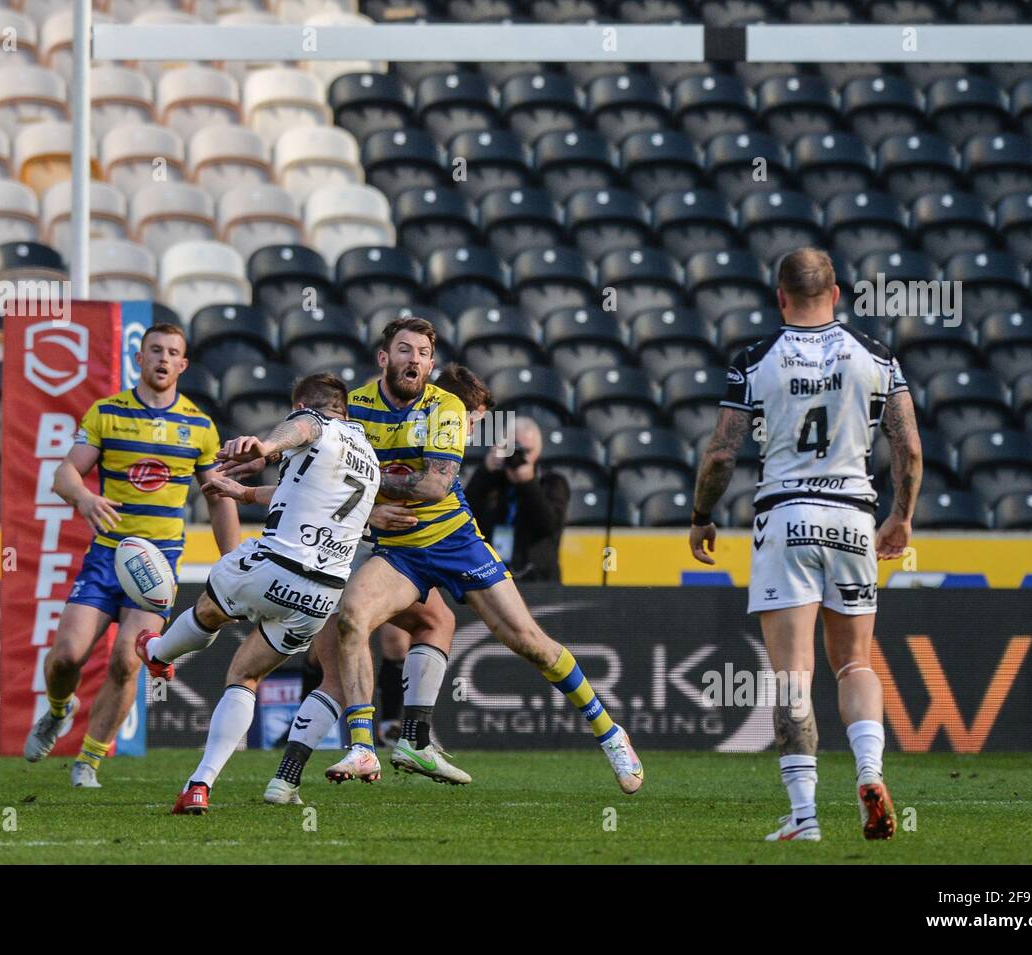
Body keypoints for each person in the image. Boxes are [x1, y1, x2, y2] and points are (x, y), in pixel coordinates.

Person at [309, 316, 643, 793]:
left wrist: (368, 487)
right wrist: (366, 514)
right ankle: (364, 747)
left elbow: (434, 485)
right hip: (400, 551)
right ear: (384, 358)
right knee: (352, 618)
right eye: (405, 350)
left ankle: (609, 731)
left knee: (530, 642)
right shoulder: (355, 407)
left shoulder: (445, 407)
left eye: (424, 354)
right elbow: (324, 472)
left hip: (454, 541)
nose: (415, 361)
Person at [688, 248, 922, 842]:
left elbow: (721, 453)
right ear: (837, 294)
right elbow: (909, 447)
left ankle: (805, 816)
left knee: (793, 676)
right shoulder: (877, 357)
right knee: (856, 663)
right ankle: (869, 771)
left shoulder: (755, 360)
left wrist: (701, 515)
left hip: (785, 519)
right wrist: (901, 516)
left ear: (780, 296)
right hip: (852, 518)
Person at [126, 373, 379, 815]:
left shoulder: (313, 423)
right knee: (244, 676)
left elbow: (298, 429)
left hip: (276, 562)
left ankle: (159, 652)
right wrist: (243, 493)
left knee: (208, 613)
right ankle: (198, 785)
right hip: (321, 595)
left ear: (303, 404)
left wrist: (265, 446)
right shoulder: (367, 457)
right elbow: (298, 492)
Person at [255, 362, 493, 803]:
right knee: (338, 669)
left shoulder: (391, 428)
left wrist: (246, 487)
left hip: (339, 558)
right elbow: (333, 489)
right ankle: (386, 742)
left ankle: (290, 776)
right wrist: (372, 513)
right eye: (473, 416)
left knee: (429, 625)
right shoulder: (392, 427)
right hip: (350, 556)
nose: (474, 425)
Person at [22, 322, 240, 787]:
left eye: (173, 353)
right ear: (138, 359)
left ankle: (88, 761)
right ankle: (60, 709)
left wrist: (234, 561)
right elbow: (64, 475)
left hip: (158, 564)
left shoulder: (200, 427)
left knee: (127, 660)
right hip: (107, 556)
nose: (163, 358)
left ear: (183, 364)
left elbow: (218, 498)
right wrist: (85, 499)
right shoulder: (106, 413)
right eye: (154, 350)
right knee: (65, 657)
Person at [465, 415, 569, 582]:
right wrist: (485, 471)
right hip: (493, 573)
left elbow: (550, 525)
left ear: (539, 450)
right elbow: (466, 514)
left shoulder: (552, 482)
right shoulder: (493, 481)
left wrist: (528, 483)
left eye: (527, 451)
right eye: (513, 449)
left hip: (538, 578)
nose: (519, 456)